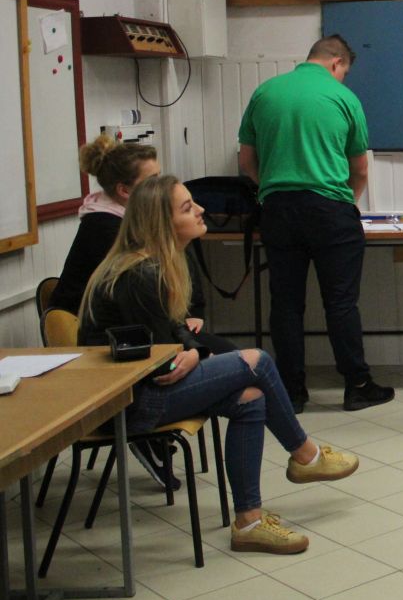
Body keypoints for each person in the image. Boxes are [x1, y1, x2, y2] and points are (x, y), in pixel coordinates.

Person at [79, 174, 360, 555]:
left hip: (143, 390)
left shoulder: (157, 262)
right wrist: (194, 354)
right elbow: (161, 365)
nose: (200, 210)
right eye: (187, 208)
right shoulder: (140, 274)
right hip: (128, 404)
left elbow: (176, 331)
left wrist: (194, 351)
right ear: (162, 223)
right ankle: (305, 456)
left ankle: (249, 523)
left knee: (250, 397)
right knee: (258, 361)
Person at [49, 135, 234, 488]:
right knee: (236, 363)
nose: (161, 187)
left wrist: (188, 321)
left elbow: (178, 284)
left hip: (143, 330)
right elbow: (146, 311)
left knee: (236, 364)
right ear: (124, 190)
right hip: (114, 351)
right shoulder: (109, 230)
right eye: (152, 180)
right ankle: (148, 432)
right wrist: (187, 340)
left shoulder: (142, 224)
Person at [237, 35, 393, 413]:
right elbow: (359, 168)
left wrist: (272, 189)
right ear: (337, 63)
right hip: (330, 211)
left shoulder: (265, 92)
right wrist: (346, 202)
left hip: (278, 210)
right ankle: (357, 385)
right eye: (344, 72)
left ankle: (291, 392)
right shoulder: (343, 98)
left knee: (286, 304)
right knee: (340, 303)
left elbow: (246, 161)